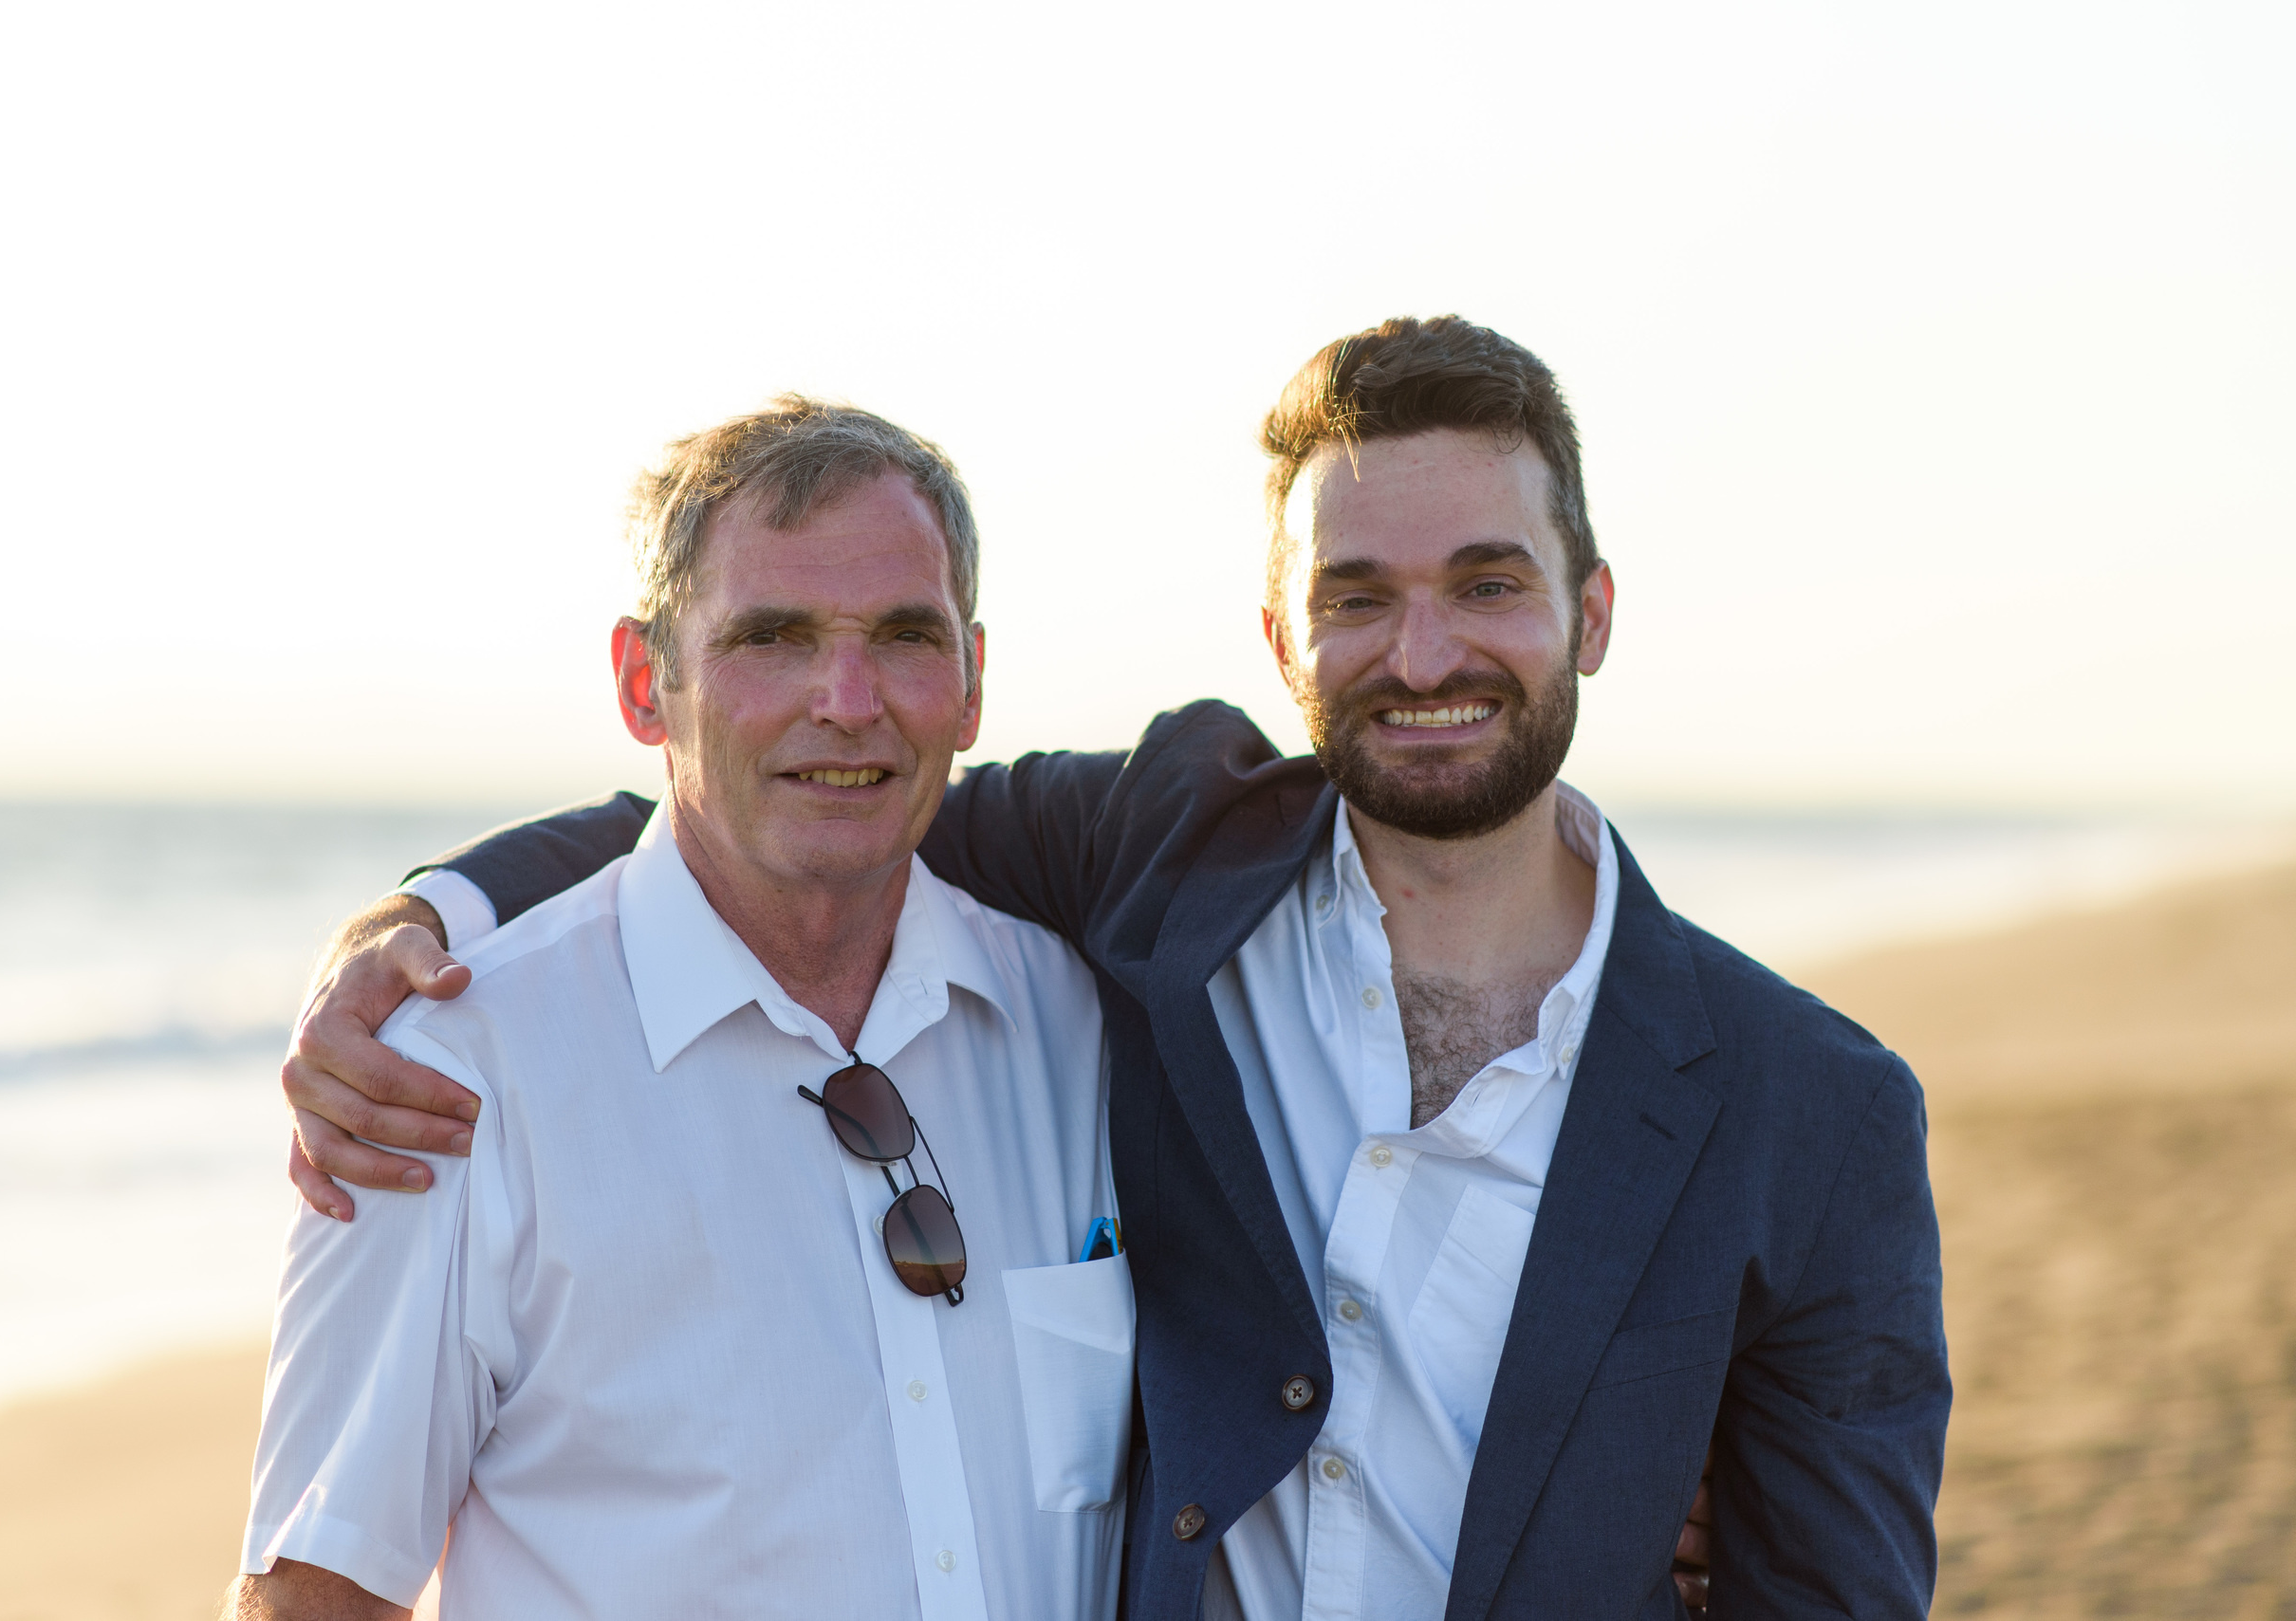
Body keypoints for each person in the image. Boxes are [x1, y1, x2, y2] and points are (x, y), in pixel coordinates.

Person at [288, 317, 1945, 1617]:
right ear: (1285, 636)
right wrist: (428, 915)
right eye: (1357, 594)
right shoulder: (1159, 873)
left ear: (1589, 609)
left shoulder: (1816, 1115)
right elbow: (782, 804)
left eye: (1488, 585)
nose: (1424, 651)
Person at [231, 402, 1139, 1619]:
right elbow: (314, 1594)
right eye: (773, 635)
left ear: (971, 686)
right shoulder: (449, 1076)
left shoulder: (1080, 1023)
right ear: (643, 681)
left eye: (904, 635)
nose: (849, 696)